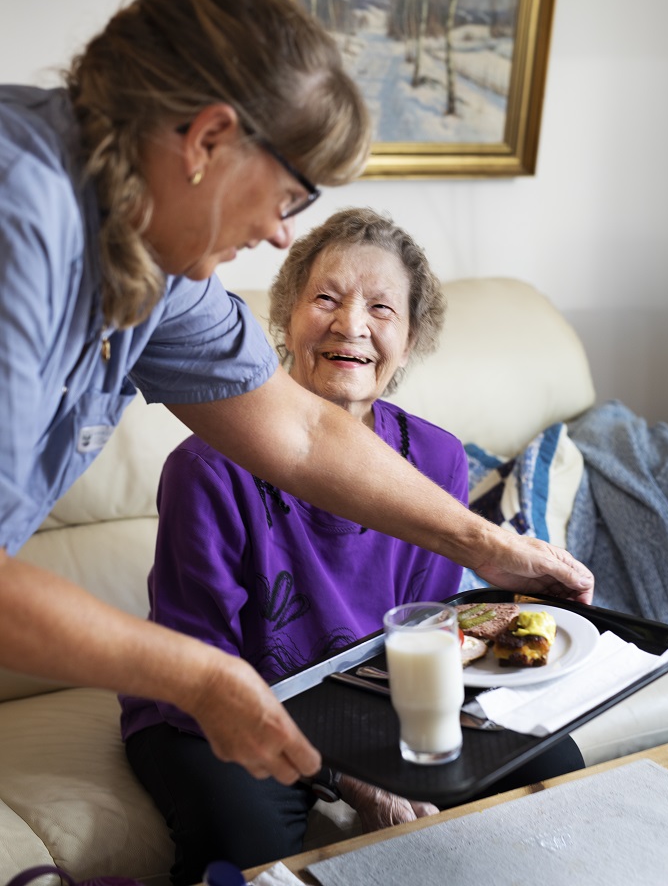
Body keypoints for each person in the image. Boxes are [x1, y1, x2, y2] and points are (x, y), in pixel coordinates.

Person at [0, 0, 593, 801]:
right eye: (287, 196)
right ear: (208, 141)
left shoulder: (151, 256)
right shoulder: (18, 216)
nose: (281, 236)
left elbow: (306, 434)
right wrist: (199, 678)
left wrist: (488, 546)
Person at [120, 208, 585, 882]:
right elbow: (203, 668)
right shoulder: (207, 468)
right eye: (327, 299)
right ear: (286, 317)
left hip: (369, 702)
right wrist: (354, 778)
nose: (351, 326)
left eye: (381, 308)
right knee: (247, 845)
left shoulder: (436, 460)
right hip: (213, 707)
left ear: (411, 337)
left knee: (552, 765)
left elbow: (430, 634)